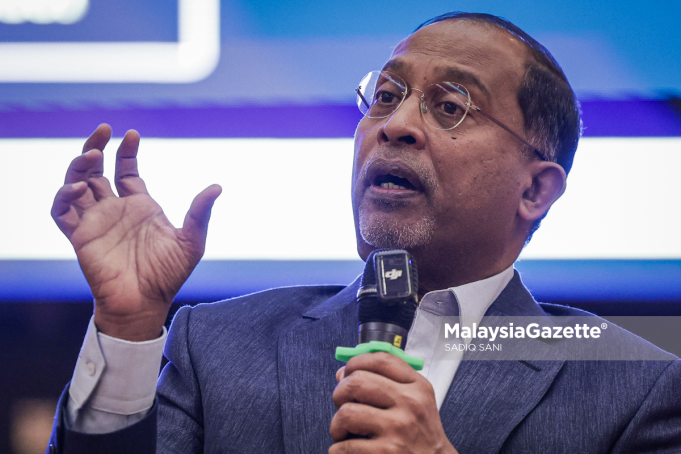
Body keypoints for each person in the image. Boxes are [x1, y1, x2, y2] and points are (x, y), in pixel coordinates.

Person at [47, 12, 681, 454]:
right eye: (385, 95)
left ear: (535, 190)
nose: (396, 124)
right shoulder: (216, 347)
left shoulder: (635, 389)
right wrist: (127, 328)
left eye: (451, 105)